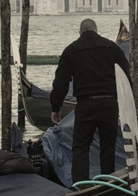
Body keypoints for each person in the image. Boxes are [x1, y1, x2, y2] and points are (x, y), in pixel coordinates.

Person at [50, 18, 132, 180]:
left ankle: (80, 186)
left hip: (85, 105)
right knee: (107, 148)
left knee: (80, 148)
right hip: (109, 104)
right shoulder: (112, 48)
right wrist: (126, 104)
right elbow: (126, 77)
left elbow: (61, 82)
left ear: (80, 33)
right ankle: (107, 183)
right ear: (96, 30)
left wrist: (56, 107)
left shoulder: (70, 51)